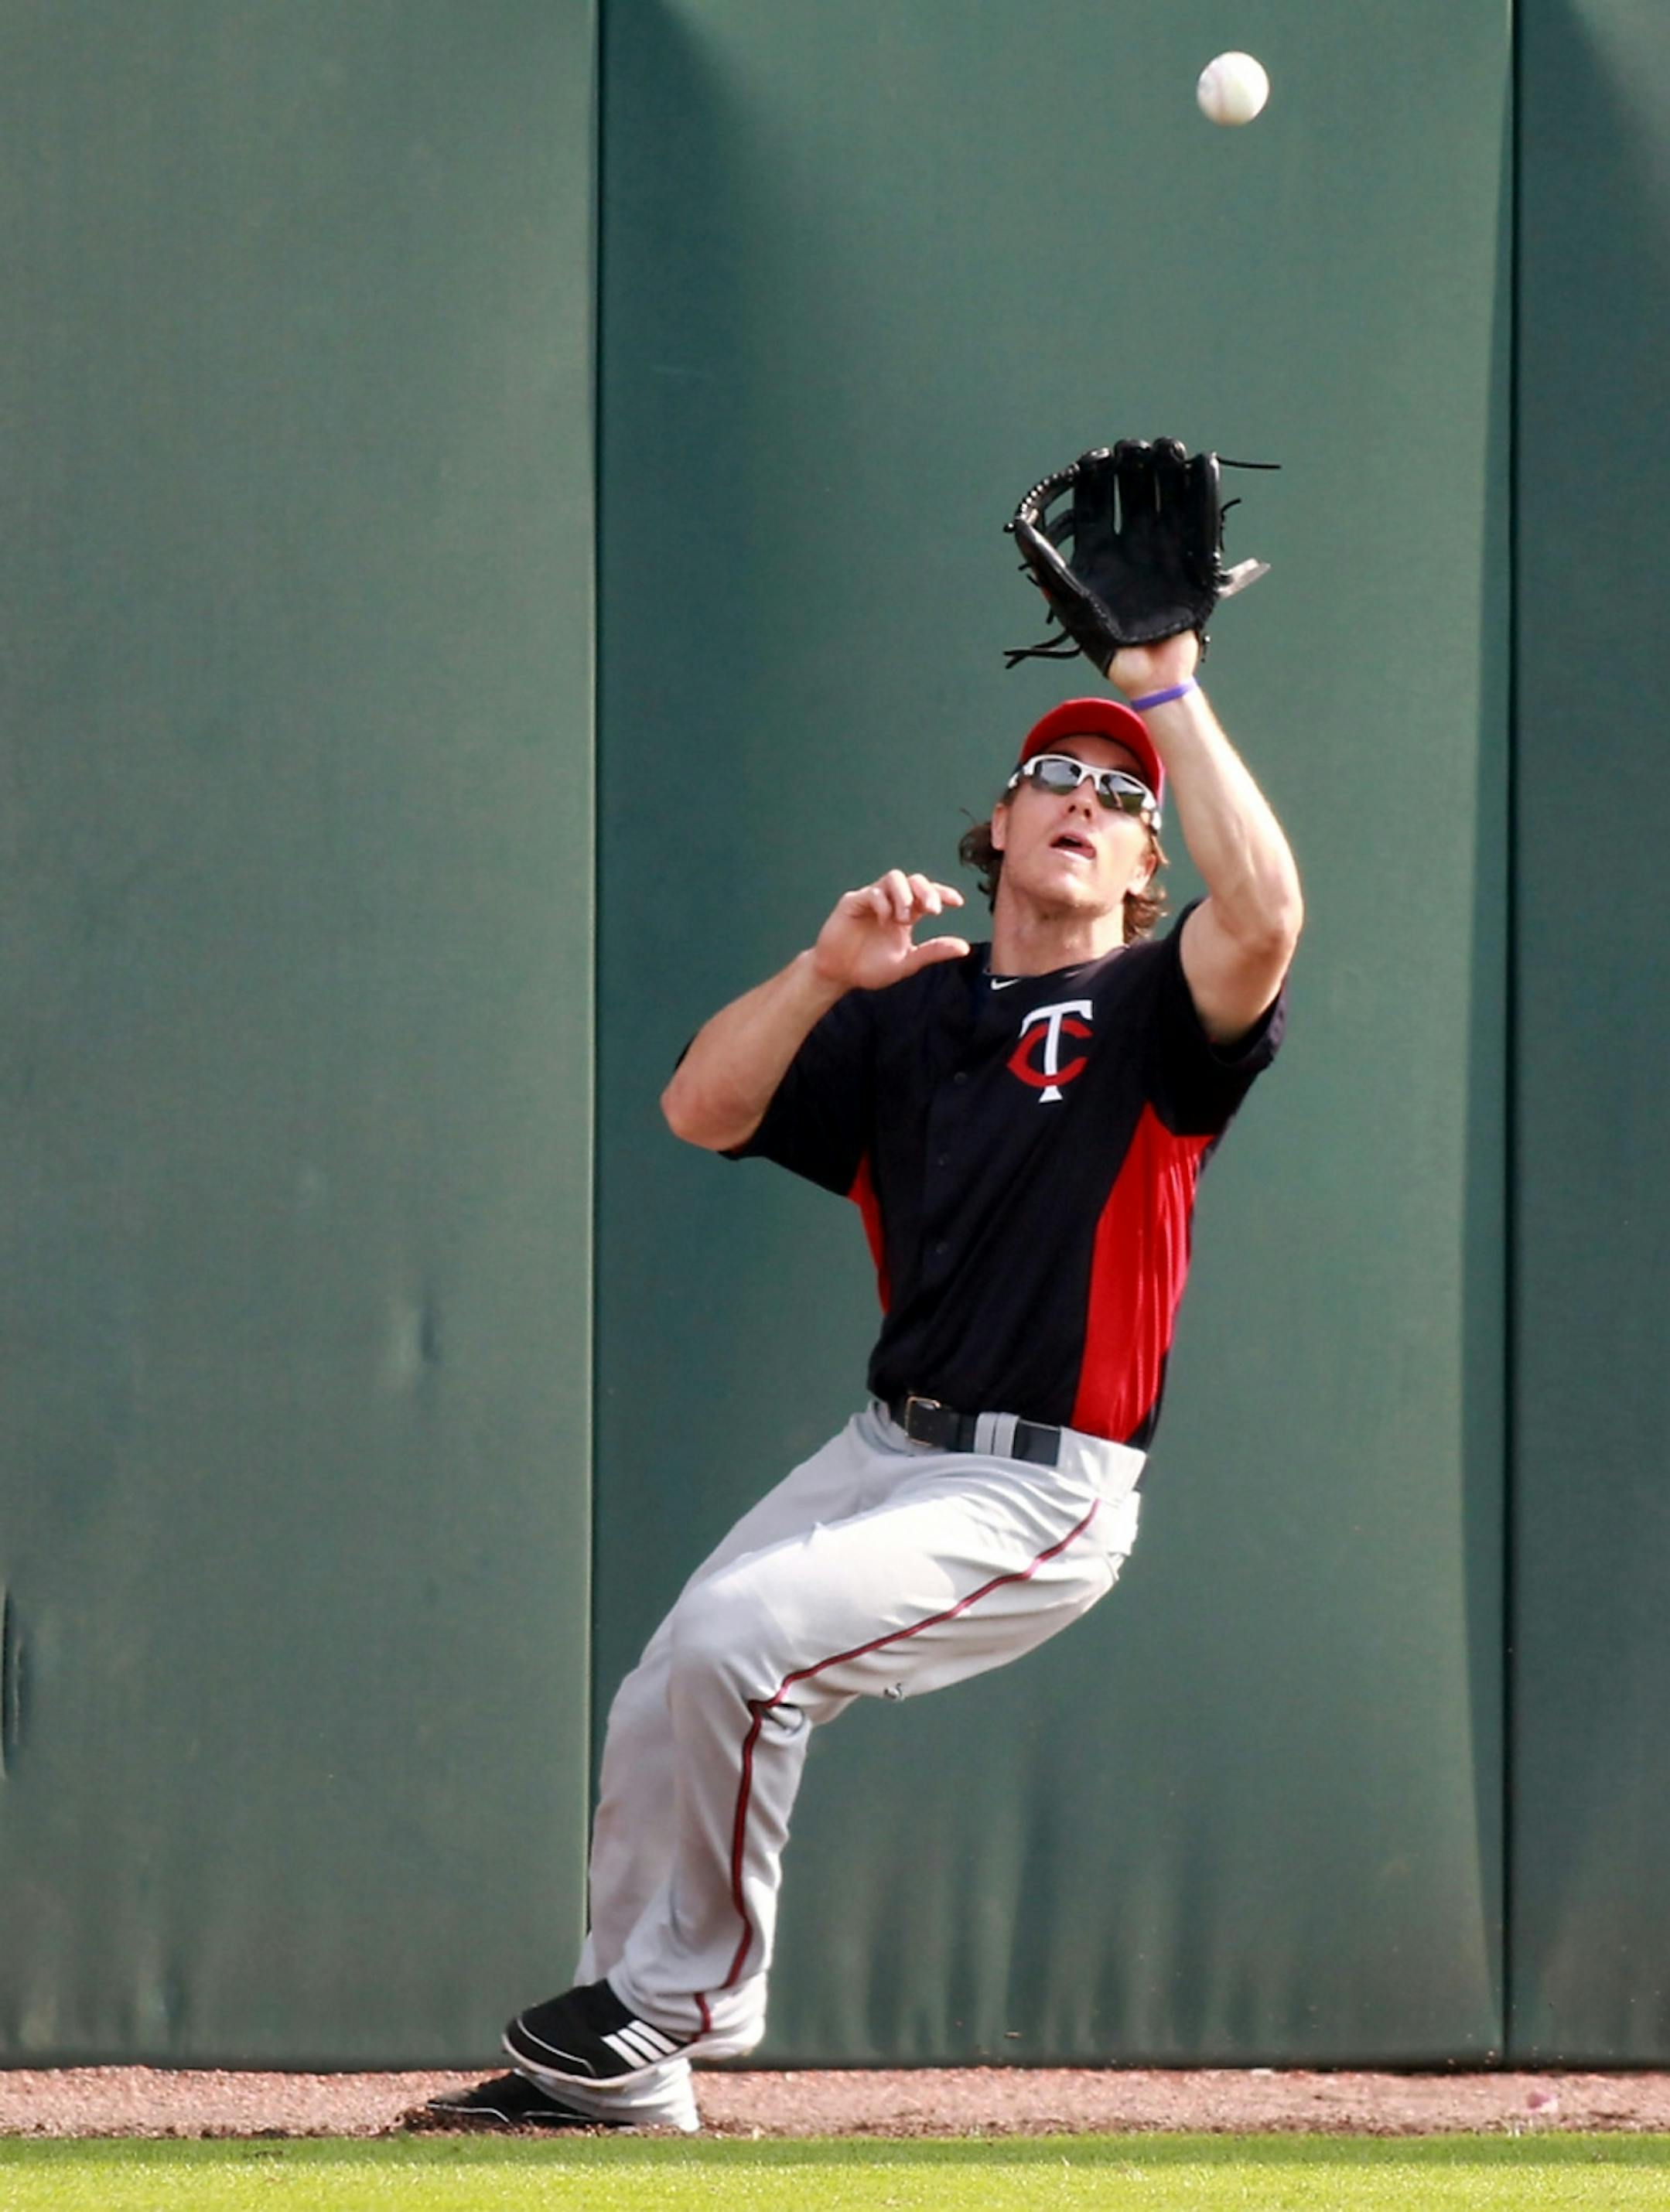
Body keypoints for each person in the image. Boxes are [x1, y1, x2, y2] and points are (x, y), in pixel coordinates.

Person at [425, 629, 1302, 2132]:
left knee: (742, 1645)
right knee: (665, 1690)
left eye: (1119, 790)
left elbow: (1268, 913)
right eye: (1056, 774)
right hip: (886, 1446)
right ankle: (624, 2086)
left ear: (1147, 855)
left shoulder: (1160, 1012)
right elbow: (701, 1106)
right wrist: (823, 974)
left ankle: (668, 2011)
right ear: (1003, 823)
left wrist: (1166, 681)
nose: (1084, 796)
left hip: (1040, 1482)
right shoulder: (912, 1008)